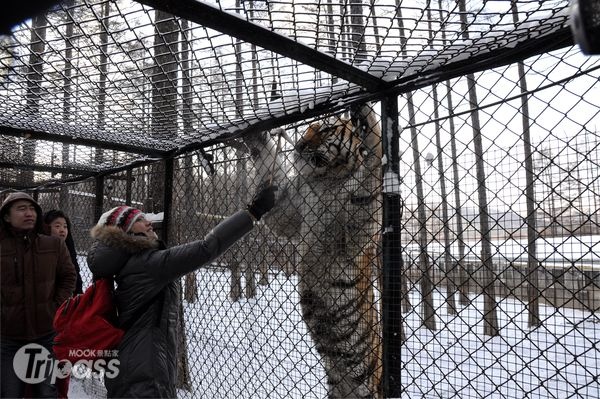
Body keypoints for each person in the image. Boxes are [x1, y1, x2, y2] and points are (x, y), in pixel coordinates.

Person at [87, 182, 277, 398]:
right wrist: (252, 212)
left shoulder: (126, 264)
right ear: (124, 230)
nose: (149, 222)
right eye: (139, 220)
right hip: (145, 366)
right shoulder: (147, 263)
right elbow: (206, 248)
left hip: (129, 360)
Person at [0, 192, 77, 398]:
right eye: (21, 209)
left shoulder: (53, 245)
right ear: (6, 216)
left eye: (32, 208)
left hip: (45, 333)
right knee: (9, 392)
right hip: (7, 336)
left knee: (46, 391)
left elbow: (69, 276)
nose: (29, 213)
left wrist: (55, 307)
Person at [42, 209, 84, 399]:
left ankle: (61, 394)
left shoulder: (69, 249)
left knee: (62, 358)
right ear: (46, 228)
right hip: (44, 315)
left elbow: (76, 283)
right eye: (57, 226)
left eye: (65, 226)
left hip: (66, 315)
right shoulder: (40, 250)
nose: (62, 230)